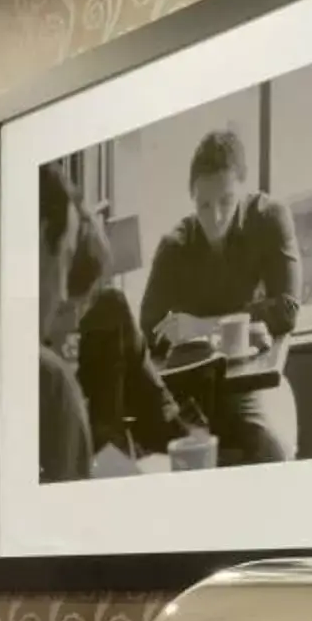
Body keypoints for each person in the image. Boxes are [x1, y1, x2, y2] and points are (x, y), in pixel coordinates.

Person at [138, 125, 301, 464]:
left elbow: (287, 310)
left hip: (250, 379)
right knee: (156, 456)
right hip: (191, 385)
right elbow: (148, 326)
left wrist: (200, 326)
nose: (215, 217)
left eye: (226, 201)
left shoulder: (270, 217)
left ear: (243, 188)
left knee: (275, 447)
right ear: (192, 199)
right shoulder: (174, 245)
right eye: (204, 205)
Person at [38, 159, 182, 479]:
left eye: (85, 303)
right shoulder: (36, 365)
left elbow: (159, 408)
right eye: (66, 308)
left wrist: (196, 454)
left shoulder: (110, 313)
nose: (75, 315)